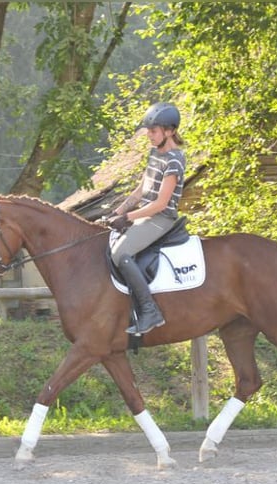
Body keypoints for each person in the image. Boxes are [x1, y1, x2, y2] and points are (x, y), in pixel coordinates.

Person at [107, 102, 186, 335]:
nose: (149, 135)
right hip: (145, 215)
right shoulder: (155, 155)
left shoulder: (174, 160)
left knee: (120, 253)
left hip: (161, 219)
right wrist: (117, 213)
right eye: (148, 131)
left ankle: (150, 312)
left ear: (169, 131)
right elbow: (141, 190)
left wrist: (128, 217)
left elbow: (161, 203)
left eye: (153, 131)